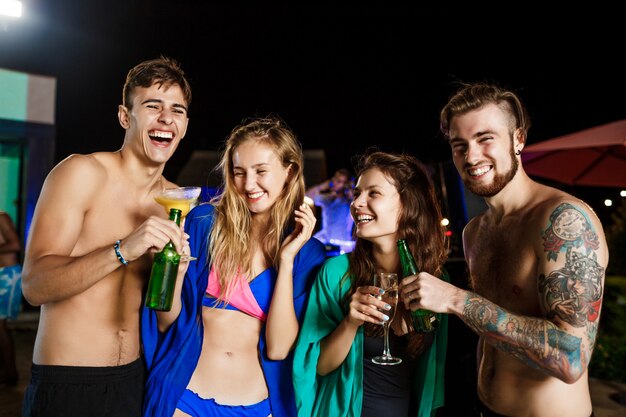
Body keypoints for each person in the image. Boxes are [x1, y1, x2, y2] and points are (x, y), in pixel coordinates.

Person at [401, 82, 608, 417]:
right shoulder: (475, 232)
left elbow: (572, 359)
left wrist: (455, 299)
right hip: (484, 407)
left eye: (485, 139)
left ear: (518, 139)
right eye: (459, 145)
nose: (471, 156)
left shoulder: (563, 220)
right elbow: (492, 321)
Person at [21, 56, 192, 417]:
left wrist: (176, 276)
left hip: (132, 383)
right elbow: (34, 286)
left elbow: (164, 318)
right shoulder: (82, 173)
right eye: (153, 106)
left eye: (177, 110)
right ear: (124, 116)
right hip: (66, 382)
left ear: (185, 125)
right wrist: (123, 249)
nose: (166, 118)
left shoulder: (175, 201)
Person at [141, 116, 327, 417]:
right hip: (185, 398)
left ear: (289, 172)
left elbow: (278, 349)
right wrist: (174, 272)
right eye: (239, 172)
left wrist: (287, 260)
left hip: (260, 406)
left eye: (261, 171)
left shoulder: (307, 254)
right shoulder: (204, 223)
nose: (249, 184)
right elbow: (165, 320)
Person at [293, 151, 449, 417]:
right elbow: (317, 366)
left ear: (408, 204)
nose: (356, 203)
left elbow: (432, 375)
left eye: (373, 194)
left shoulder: (435, 282)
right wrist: (351, 322)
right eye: (356, 194)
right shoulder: (337, 273)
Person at [305, 168, 355, 254]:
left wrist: (350, 189)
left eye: (339, 181)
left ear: (346, 185)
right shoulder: (327, 198)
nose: (335, 183)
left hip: (342, 244)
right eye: (335, 179)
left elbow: (354, 200)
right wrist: (324, 186)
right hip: (324, 240)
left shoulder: (348, 201)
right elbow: (307, 196)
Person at [0, 211, 21, 387]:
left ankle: (11, 373)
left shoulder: (1, 217)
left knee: (0, 326)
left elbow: (15, 244)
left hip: (8, 275)